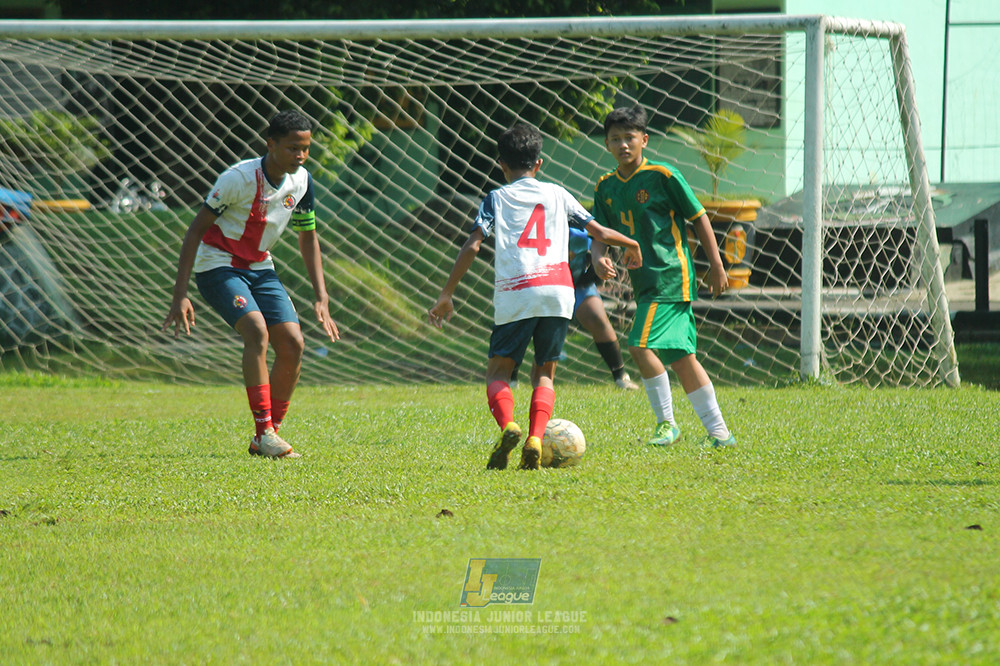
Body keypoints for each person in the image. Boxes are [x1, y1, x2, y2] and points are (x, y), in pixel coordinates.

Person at [429, 122, 642, 470]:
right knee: (544, 372)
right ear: (539, 163)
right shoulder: (558, 194)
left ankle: (509, 426)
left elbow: (473, 244)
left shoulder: (496, 198)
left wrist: (446, 294)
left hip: (517, 291)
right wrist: (631, 243)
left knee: (499, 371)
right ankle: (535, 438)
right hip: (559, 293)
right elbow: (599, 231)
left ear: (501, 165)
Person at [162, 109, 340, 459]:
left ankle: (268, 434)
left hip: (261, 266)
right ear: (270, 144)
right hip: (218, 266)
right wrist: (179, 294)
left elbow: (309, 238)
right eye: (292, 148)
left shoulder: (302, 180)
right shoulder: (238, 178)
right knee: (257, 332)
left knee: (293, 343)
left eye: (305, 148)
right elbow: (195, 230)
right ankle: (265, 432)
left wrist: (321, 295)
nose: (300, 155)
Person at [590, 106, 736, 448]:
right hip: (643, 283)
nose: (623, 144)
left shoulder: (663, 175)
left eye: (629, 138)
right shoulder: (605, 186)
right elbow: (599, 233)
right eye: (615, 139)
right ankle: (720, 433)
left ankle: (667, 424)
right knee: (681, 357)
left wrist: (716, 264)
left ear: (645, 139)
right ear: (607, 145)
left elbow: (698, 217)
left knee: (639, 345)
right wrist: (599, 259)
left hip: (670, 276)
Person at [510, 226, 640, 390]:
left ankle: (621, 376)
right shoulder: (535, 221)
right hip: (540, 284)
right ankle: (510, 377)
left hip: (576, 283)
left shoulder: (577, 222)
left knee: (596, 318)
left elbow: (600, 237)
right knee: (525, 326)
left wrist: (597, 263)